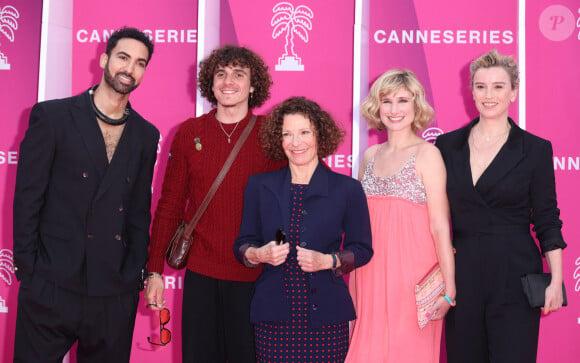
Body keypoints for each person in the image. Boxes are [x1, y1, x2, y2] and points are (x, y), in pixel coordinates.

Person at [12, 27, 158, 362]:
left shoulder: (145, 135)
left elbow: (138, 213)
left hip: (112, 293)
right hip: (51, 285)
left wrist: (132, 277)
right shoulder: (53, 116)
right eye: (123, 57)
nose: (130, 68)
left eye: (140, 63)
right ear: (105, 59)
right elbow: (28, 199)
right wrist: (28, 272)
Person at [145, 45, 284, 363]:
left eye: (239, 74)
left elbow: (292, 203)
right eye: (221, 74)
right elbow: (170, 206)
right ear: (211, 83)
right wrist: (154, 271)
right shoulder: (190, 133)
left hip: (255, 274)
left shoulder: (271, 134)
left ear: (253, 86)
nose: (228, 81)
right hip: (201, 275)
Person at [435, 49, 566, 363]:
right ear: (472, 92)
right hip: (462, 274)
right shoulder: (446, 146)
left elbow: (547, 218)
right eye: (481, 86)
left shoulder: (535, 149)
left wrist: (557, 279)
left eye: (498, 86)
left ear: (514, 92)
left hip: (515, 273)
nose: (488, 94)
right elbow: (433, 216)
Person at [233, 96, 373, 363]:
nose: (296, 143)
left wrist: (329, 260)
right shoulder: (260, 186)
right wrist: (258, 254)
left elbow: (363, 249)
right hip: (273, 317)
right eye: (287, 134)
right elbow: (243, 242)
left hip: (326, 320)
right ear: (279, 140)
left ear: (320, 134)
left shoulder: (347, 189)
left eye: (304, 132)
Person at [345, 69, 456, 362]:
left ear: (416, 106)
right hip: (368, 270)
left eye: (403, 100)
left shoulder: (427, 154)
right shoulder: (369, 155)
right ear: (376, 107)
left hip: (412, 276)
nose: (394, 109)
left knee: (409, 351)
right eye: (387, 101)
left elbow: (440, 226)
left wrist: (449, 287)